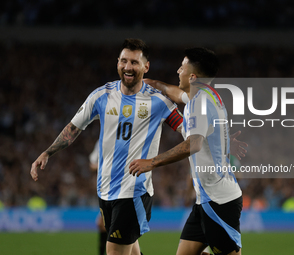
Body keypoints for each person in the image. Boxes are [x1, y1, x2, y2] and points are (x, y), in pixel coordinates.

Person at [30, 38, 183, 255]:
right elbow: (73, 128)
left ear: (146, 66)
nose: (128, 67)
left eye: (134, 62)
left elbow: (191, 135)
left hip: (133, 193)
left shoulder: (159, 102)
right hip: (105, 192)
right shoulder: (101, 96)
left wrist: (155, 162)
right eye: (124, 61)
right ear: (118, 62)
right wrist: (47, 152)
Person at [130, 48, 243, 255]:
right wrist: (155, 84)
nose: (177, 70)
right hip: (205, 200)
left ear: (192, 76)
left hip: (219, 202)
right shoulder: (206, 94)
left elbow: (194, 144)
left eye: (182, 67)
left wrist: (151, 162)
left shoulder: (199, 102)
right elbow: (178, 94)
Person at [89, 140, 108, 255]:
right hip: (106, 187)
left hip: (122, 187)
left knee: (105, 224)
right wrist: (106, 167)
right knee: (102, 224)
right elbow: (92, 164)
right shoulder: (101, 141)